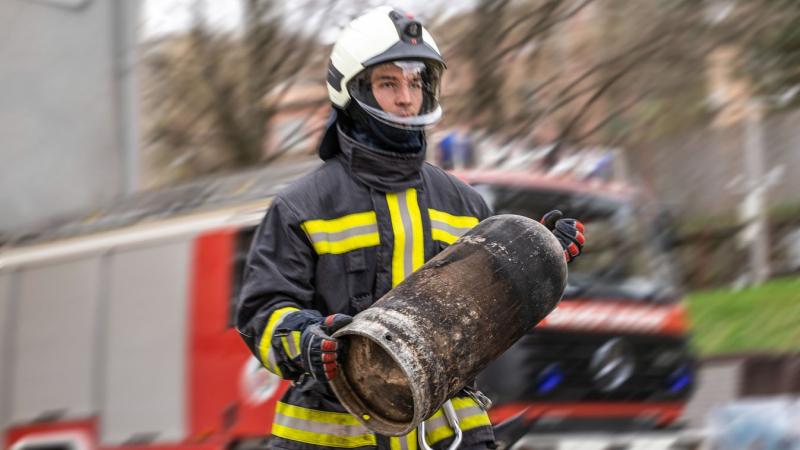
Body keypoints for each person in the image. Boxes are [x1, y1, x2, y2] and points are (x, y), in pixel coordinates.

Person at [236, 7, 585, 450]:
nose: (406, 98)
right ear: (353, 90)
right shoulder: (300, 207)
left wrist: (539, 256)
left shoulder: (466, 203)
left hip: (449, 437)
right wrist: (306, 340)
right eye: (388, 83)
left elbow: (491, 319)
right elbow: (261, 314)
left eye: (416, 83)